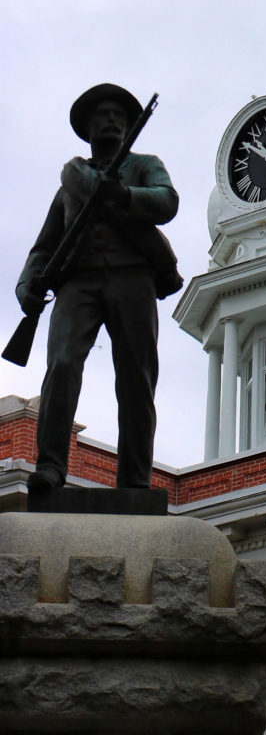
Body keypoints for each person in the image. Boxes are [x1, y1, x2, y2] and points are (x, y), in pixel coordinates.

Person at [16, 83, 182, 491]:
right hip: (79, 282)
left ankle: (135, 480)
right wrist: (26, 288)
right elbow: (45, 245)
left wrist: (124, 195)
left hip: (132, 278)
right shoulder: (71, 184)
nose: (110, 121)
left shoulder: (145, 165)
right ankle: (51, 466)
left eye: (118, 117)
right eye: (102, 116)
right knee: (63, 365)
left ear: (128, 127)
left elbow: (167, 201)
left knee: (136, 379)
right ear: (88, 128)